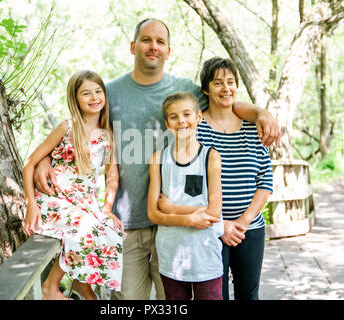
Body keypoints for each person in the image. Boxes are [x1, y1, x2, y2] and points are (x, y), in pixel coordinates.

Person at [33, 19, 280, 300]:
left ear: (168, 50)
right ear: (133, 46)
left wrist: (262, 113)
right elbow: (78, 130)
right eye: (147, 40)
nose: (153, 47)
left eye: (160, 42)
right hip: (126, 223)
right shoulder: (108, 93)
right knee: (125, 300)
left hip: (176, 227)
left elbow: (224, 99)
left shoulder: (186, 92)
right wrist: (45, 160)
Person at [161, 57, 273, 300]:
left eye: (231, 82)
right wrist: (221, 225)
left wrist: (242, 222)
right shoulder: (196, 129)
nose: (226, 88)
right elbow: (191, 185)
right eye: (218, 83)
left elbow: (265, 182)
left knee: (249, 295)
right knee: (214, 296)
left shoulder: (253, 128)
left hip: (249, 229)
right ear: (205, 89)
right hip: (209, 231)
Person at [22, 70, 124, 300]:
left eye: (98, 91)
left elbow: (112, 176)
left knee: (111, 230)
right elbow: (29, 164)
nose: (94, 97)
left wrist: (107, 209)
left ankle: (82, 284)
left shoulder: (106, 135)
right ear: (75, 99)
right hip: (55, 201)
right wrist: (31, 205)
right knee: (86, 227)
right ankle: (50, 286)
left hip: (83, 204)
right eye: (86, 93)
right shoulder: (66, 128)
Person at [147, 92, 224, 300]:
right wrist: (189, 218)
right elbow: (153, 213)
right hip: (171, 257)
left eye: (187, 114)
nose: (181, 121)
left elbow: (215, 212)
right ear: (167, 123)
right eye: (173, 117)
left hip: (205, 257)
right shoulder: (158, 159)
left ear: (198, 117)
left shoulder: (211, 157)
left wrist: (173, 209)